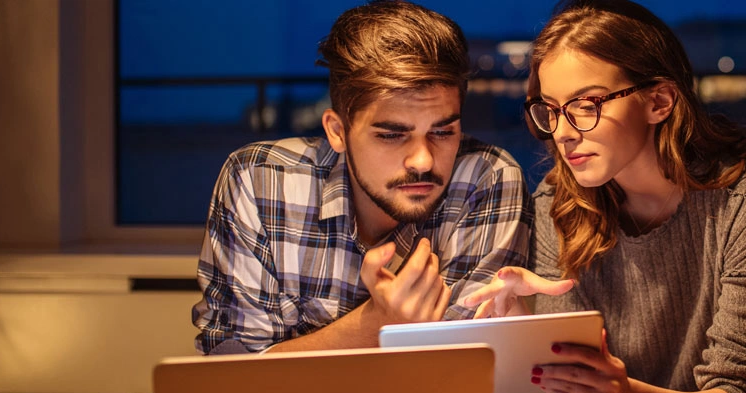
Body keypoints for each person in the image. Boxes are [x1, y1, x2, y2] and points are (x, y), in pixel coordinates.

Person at [463, 1, 746, 393]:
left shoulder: (745, 201)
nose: (562, 132)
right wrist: (520, 327)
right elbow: (576, 381)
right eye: (550, 110)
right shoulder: (560, 202)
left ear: (659, 102)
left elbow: (737, 390)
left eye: (587, 105)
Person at [191, 0, 532, 355]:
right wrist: (374, 322)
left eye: (443, 132)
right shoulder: (260, 181)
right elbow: (230, 374)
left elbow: (468, 369)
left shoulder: (486, 180)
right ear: (338, 131)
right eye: (391, 135)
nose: (422, 160)